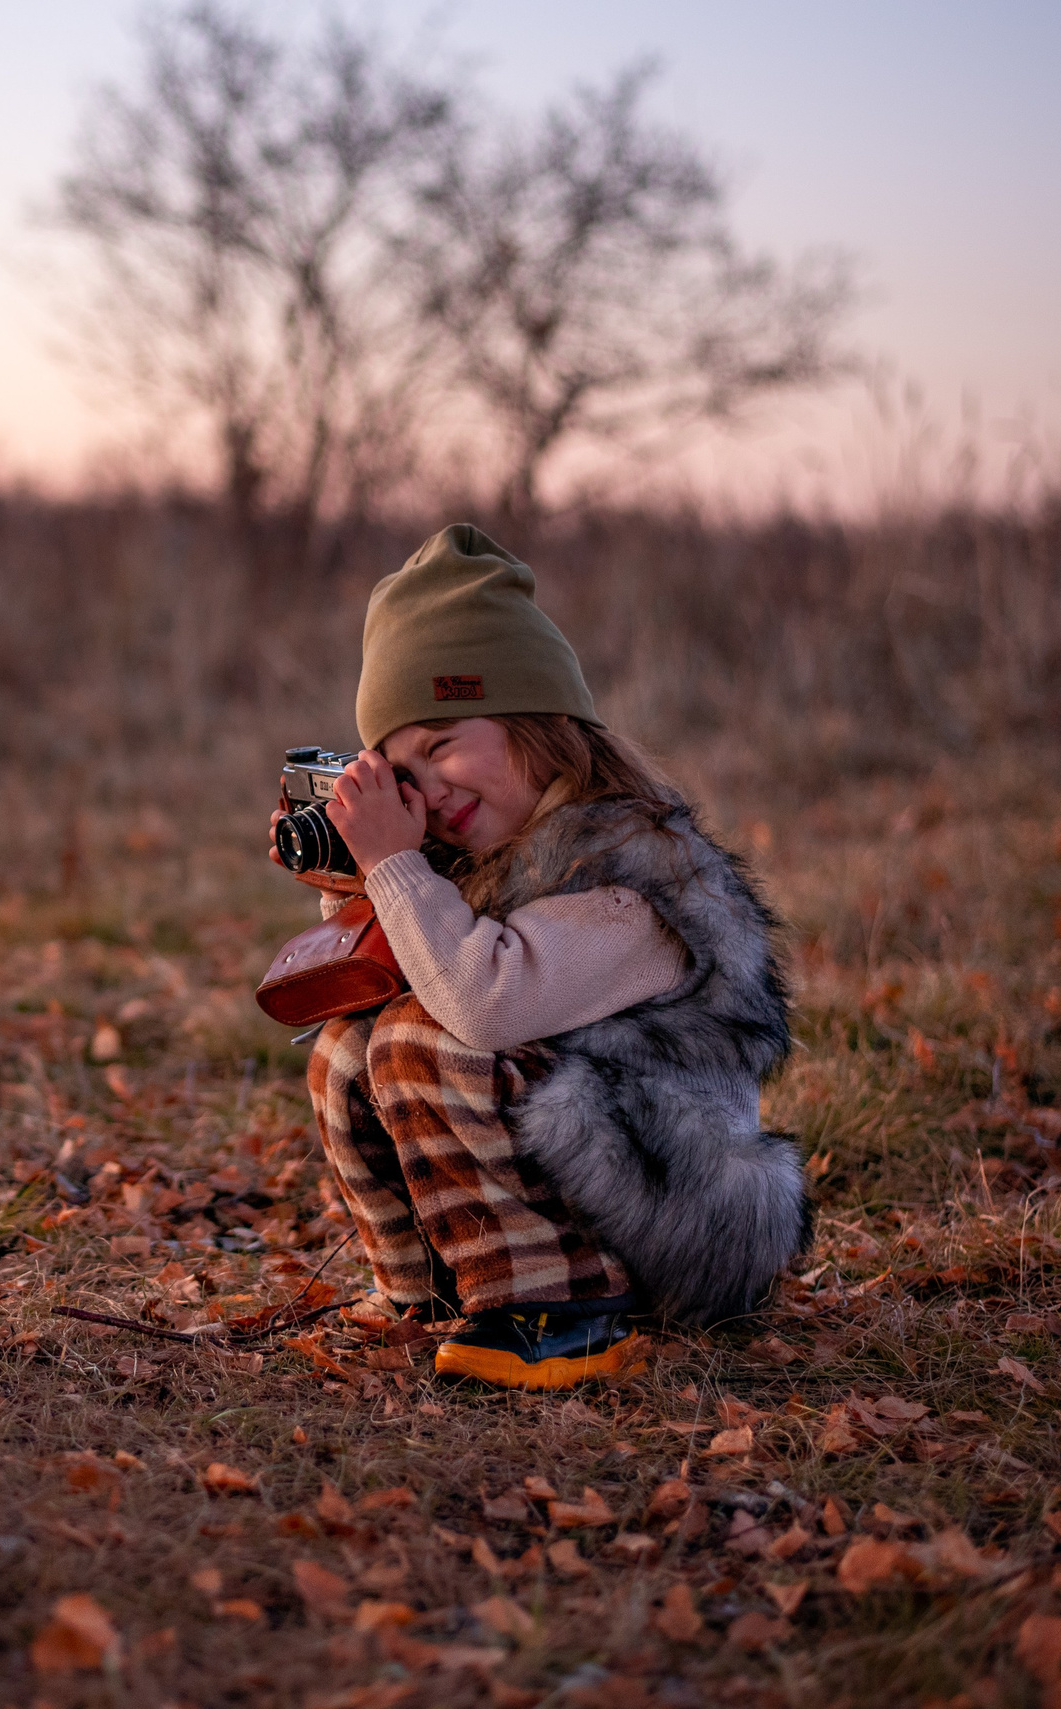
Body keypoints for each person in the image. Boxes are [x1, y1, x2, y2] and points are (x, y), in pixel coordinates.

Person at [273, 524, 806, 1390]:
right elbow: (410, 962)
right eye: (402, 771)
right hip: (592, 1173)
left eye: (442, 744)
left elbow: (483, 1000)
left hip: (674, 1207)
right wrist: (355, 873)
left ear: (535, 720)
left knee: (421, 1038)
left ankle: (559, 1311)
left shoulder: (640, 871)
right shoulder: (498, 856)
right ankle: (429, 1293)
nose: (432, 790)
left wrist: (396, 863)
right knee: (348, 1049)